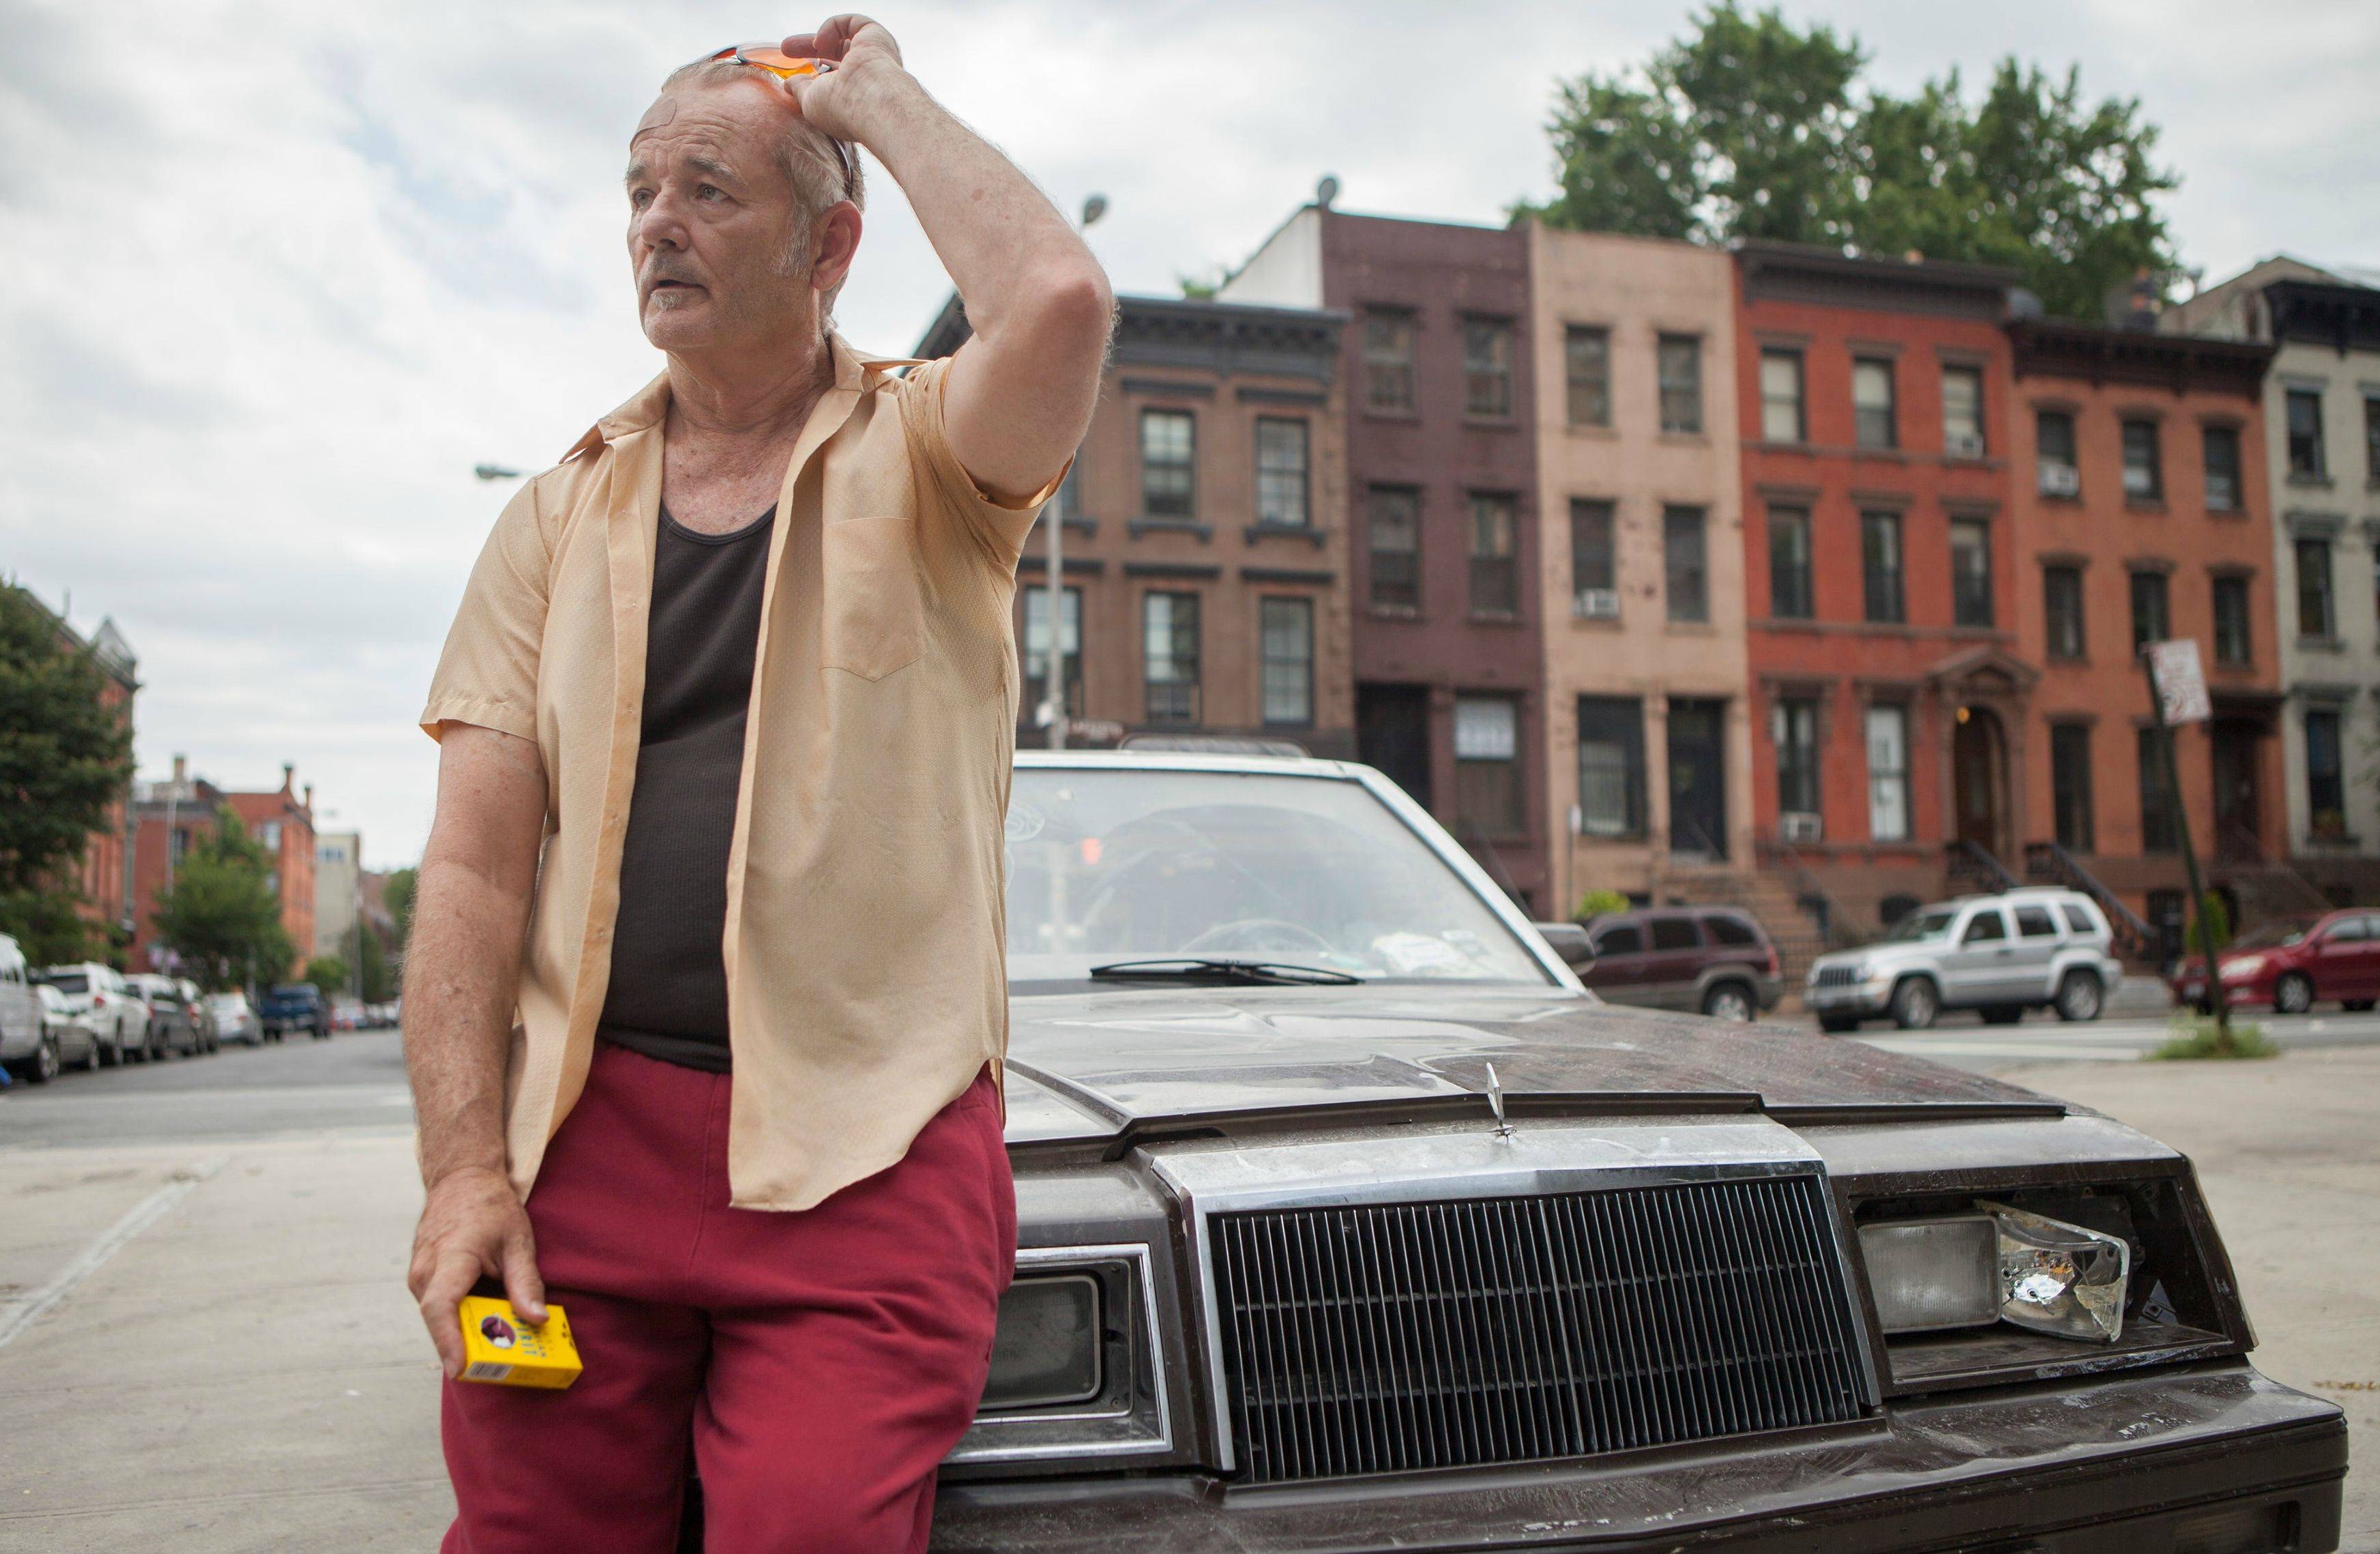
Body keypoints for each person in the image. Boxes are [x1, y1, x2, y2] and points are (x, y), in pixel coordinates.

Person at [402, 16, 1111, 1551]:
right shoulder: (548, 516)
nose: (658, 221)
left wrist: (875, 98)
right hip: (585, 1149)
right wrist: (464, 1167)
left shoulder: (934, 456)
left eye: (710, 189)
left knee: (804, 1528)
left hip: (865, 1151)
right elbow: (470, 871)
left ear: (828, 242)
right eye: (641, 189)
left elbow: (1056, 300)